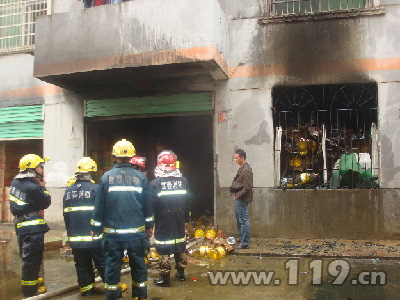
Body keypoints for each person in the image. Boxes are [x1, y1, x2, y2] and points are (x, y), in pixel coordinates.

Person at [91, 139, 154, 300]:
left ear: (115, 157)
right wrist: (149, 225)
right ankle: (140, 296)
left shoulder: (106, 178)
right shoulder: (140, 178)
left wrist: (96, 228)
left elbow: (99, 207)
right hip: (136, 234)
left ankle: (114, 297)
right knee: (139, 267)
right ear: (131, 157)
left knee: (112, 268)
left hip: (113, 235)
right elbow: (147, 205)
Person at [63, 157, 106, 296]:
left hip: (75, 237)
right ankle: (111, 289)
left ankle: (87, 291)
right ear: (91, 173)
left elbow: (66, 215)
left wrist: (69, 234)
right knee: (102, 262)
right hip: (94, 236)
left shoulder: (68, 191)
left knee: (82, 265)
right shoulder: (96, 189)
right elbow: (102, 212)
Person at [9, 154, 51, 297]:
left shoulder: (15, 182)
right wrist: (43, 188)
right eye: (40, 166)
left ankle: (31, 281)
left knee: (27, 256)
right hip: (32, 228)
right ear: (31, 169)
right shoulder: (32, 187)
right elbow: (45, 202)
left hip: (21, 226)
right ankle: (30, 291)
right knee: (32, 259)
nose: (41, 169)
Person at [150, 150, 191, 287]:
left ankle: (165, 278)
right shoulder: (183, 181)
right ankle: (181, 273)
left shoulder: (156, 183)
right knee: (180, 244)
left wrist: (151, 222)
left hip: (163, 219)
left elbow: (152, 205)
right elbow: (188, 201)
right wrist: (186, 219)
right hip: (179, 217)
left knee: (163, 246)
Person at [230, 149, 253, 249]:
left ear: (242, 157)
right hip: (240, 198)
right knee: (239, 219)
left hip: (242, 198)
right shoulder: (243, 168)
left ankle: (244, 243)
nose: (235, 160)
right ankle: (242, 237)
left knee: (243, 220)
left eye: (236, 158)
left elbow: (248, 187)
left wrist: (237, 195)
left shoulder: (246, 169)